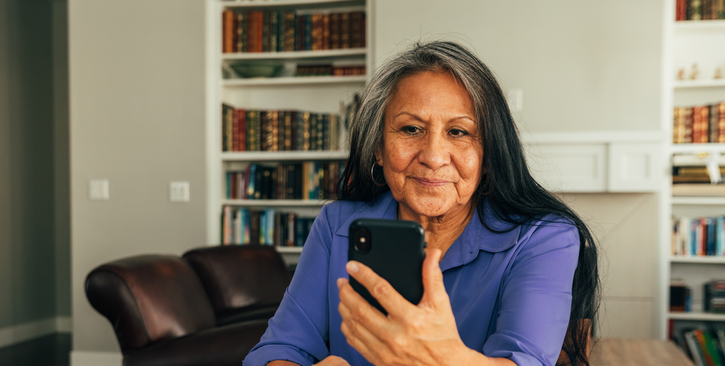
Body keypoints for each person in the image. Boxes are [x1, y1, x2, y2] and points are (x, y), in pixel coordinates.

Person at [243, 41, 599, 366]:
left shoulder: (544, 238)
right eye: (411, 129)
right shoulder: (336, 225)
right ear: (378, 149)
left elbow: (524, 360)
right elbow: (279, 350)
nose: (433, 156)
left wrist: (442, 357)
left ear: (489, 155)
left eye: (458, 132)